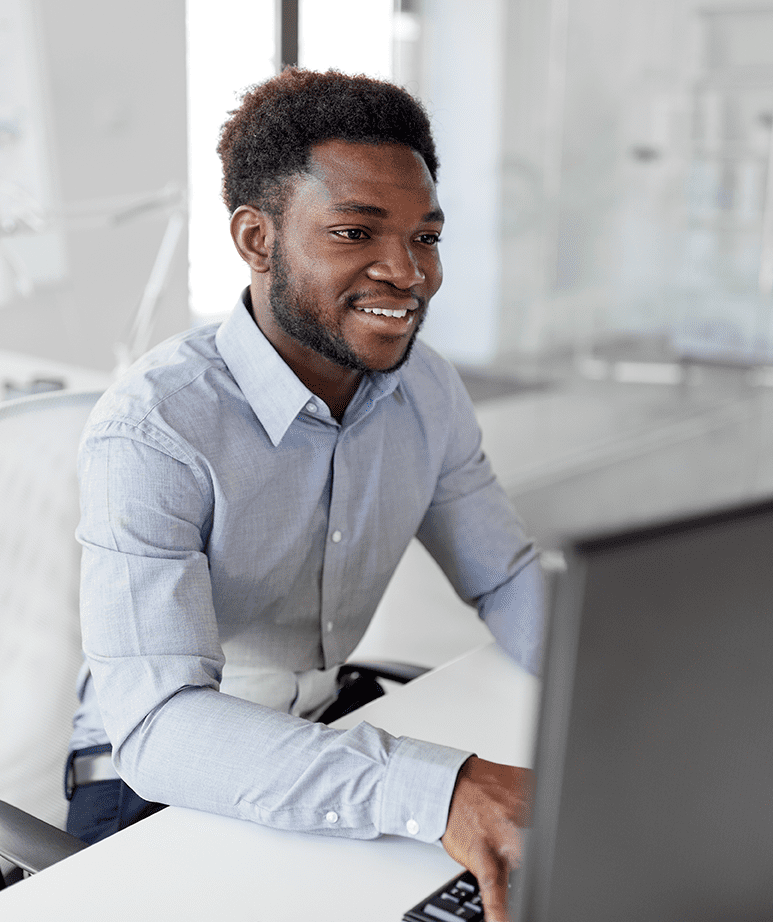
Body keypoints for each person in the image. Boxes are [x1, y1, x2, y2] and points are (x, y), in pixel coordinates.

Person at [67, 68, 544, 921]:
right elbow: (161, 726)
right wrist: (439, 789)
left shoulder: (427, 391)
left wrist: (616, 679)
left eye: (425, 237)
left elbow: (505, 575)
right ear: (257, 239)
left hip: (328, 722)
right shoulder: (154, 431)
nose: (408, 273)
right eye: (357, 231)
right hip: (156, 773)